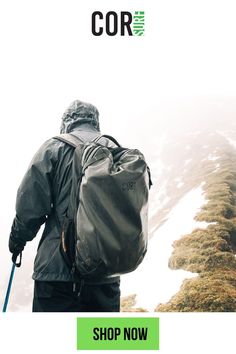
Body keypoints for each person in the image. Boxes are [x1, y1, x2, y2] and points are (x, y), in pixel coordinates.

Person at [9, 100, 120, 312]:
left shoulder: (53, 147)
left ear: (67, 122)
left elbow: (30, 207)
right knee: (98, 342)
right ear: (95, 122)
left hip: (56, 273)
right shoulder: (114, 150)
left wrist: (17, 241)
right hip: (104, 275)